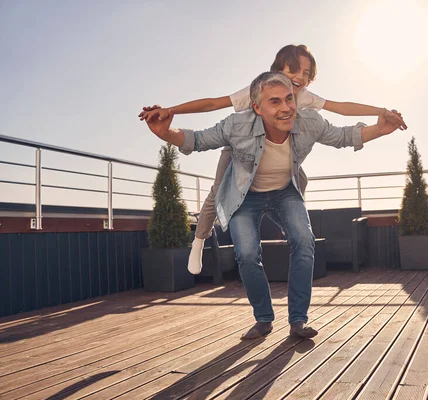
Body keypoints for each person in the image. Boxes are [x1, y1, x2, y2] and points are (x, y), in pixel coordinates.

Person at [142, 71, 404, 340]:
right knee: (246, 254)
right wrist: (165, 133)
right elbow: (196, 140)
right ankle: (264, 319)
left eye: (289, 99)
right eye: (275, 102)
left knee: (304, 241)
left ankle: (298, 321)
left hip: (285, 192)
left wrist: (381, 129)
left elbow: (345, 136)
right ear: (257, 107)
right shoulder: (237, 125)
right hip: (245, 195)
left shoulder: (309, 121)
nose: (287, 108)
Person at [139, 45, 407, 274]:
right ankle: (198, 240)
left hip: (279, 156)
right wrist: (171, 110)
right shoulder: (257, 89)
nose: (299, 78)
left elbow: (341, 107)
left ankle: (289, 225)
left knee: (299, 180)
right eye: (293, 71)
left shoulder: (305, 98)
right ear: (277, 70)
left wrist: (381, 111)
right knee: (218, 189)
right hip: (241, 149)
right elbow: (213, 104)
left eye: (306, 74)